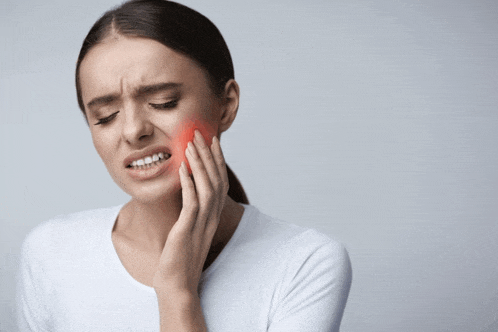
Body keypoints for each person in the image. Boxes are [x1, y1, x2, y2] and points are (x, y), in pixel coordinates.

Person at [16, 0, 352, 331]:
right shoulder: (51, 253)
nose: (134, 131)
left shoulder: (305, 262)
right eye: (105, 117)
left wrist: (177, 293)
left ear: (226, 105)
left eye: (164, 102)